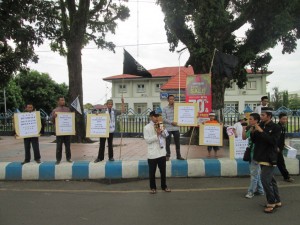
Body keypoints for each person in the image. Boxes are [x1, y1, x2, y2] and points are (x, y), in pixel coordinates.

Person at [251, 107, 282, 213]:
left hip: (270, 157)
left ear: (269, 116)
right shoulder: (261, 125)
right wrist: (253, 132)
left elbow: (272, 141)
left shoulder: (276, 127)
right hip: (261, 156)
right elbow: (255, 141)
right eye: (261, 115)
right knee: (271, 180)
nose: (261, 117)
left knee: (265, 180)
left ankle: (271, 202)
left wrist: (261, 131)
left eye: (263, 115)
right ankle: (277, 200)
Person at [143, 110, 171, 194]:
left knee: (163, 172)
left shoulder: (160, 125)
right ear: (151, 117)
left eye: (157, 116)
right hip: (152, 154)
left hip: (162, 152)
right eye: (155, 116)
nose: (156, 118)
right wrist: (157, 135)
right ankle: (153, 188)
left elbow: (166, 136)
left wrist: (163, 131)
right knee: (152, 172)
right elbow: (147, 140)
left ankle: (164, 186)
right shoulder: (146, 127)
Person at [94, 98, 125, 162]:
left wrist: (123, 102)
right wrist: (96, 114)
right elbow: (98, 116)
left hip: (111, 130)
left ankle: (111, 157)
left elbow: (123, 111)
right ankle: (100, 158)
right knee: (102, 144)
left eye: (111, 104)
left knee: (110, 144)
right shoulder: (103, 111)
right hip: (103, 131)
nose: (110, 105)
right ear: (106, 105)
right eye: (109, 104)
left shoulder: (114, 111)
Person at [242, 113, 264, 199]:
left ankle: (251, 192)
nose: (249, 120)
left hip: (257, 154)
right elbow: (244, 137)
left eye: (251, 119)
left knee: (254, 174)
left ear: (256, 120)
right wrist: (244, 129)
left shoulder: (260, 129)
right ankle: (260, 190)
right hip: (251, 153)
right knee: (255, 173)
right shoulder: (251, 128)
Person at [162, 95, 184, 161]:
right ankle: (167, 155)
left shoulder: (177, 108)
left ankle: (178, 155)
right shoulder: (165, 108)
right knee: (168, 142)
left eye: (173, 99)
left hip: (176, 128)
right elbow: (163, 118)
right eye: (170, 99)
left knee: (177, 142)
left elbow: (182, 115)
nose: (172, 100)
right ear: (168, 100)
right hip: (168, 128)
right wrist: (171, 122)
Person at [51, 96, 72, 165]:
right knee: (59, 146)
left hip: (67, 131)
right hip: (59, 131)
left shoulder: (68, 109)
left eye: (64, 100)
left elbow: (70, 120)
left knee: (68, 146)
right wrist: (54, 117)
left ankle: (68, 158)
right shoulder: (55, 110)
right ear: (58, 102)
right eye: (61, 100)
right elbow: (52, 121)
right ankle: (58, 159)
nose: (63, 101)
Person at [277, 112, 294, 182]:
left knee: (280, 162)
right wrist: (276, 147)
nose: (285, 120)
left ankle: (286, 176)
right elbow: (275, 138)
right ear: (279, 119)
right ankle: (286, 176)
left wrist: (284, 144)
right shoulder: (277, 127)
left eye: (286, 119)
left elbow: (281, 138)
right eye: (283, 119)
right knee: (281, 163)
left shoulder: (283, 127)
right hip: (276, 149)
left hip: (280, 148)